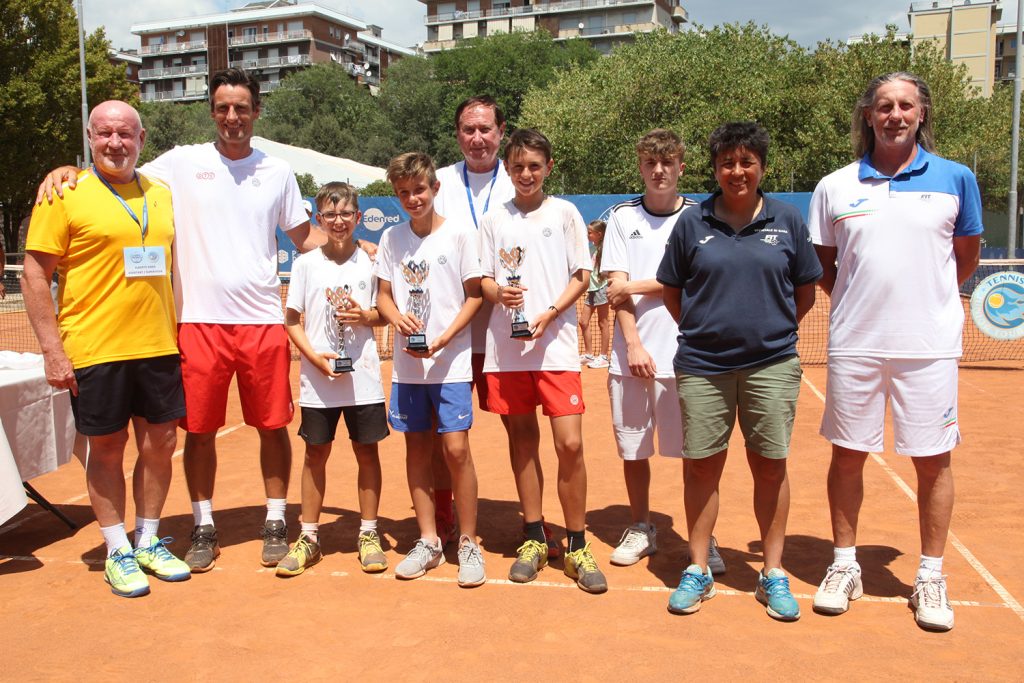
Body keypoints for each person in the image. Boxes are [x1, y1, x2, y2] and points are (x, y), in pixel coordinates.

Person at [37, 68, 326, 571]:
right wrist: (67, 169)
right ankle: (203, 523)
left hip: (262, 322)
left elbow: (304, 238)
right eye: (222, 108)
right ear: (212, 112)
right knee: (198, 432)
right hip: (195, 324)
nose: (231, 117)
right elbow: (115, 170)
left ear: (256, 111)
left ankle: (276, 518)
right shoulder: (180, 163)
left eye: (241, 107)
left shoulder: (278, 172)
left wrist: (369, 250)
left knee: (272, 426)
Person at [808, 72, 982, 632]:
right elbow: (827, 268)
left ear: (922, 113)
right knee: (847, 455)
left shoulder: (957, 179)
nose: (895, 115)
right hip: (855, 344)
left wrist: (923, 306)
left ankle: (929, 575)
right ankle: (843, 565)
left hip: (929, 348)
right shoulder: (834, 186)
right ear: (868, 115)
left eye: (906, 105)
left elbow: (966, 258)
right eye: (884, 106)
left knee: (933, 460)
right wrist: (867, 305)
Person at [22, 100, 189, 597]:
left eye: (125, 134)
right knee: (108, 448)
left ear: (141, 138)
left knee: (160, 445)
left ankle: (148, 540)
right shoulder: (64, 194)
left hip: (158, 345)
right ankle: (117, 548)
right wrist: (53, 350)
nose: (115, 143)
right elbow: (35, 274)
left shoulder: (160, 194)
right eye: (104, 134)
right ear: (90, 138)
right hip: (95, 349)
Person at [657, 122, 821, 620]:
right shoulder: (692, 223)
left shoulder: (788, 220)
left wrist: (767, 333)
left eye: (747, 162)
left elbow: (806, 291)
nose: (737, 171)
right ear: (715, 169)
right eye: (728, 162)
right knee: (703, 465)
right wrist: (708, 331)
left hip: (771, 365)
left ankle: (771, 573)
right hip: (703, 366)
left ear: (762, 168)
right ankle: (700, 568)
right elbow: (672, 290)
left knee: (770, 465)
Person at [479, 128, 607, 594]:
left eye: (534, 165)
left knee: (569, 444)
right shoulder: (494, 220)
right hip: (506, 352)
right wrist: (500, 292)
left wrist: (550, 313)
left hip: (555, 348)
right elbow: (483, 280)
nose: (526, 174)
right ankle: (534, 535)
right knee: (522, 443)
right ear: (507, 170)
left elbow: (582, 275)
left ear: (548, 167)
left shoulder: (566, 213)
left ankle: (577, 542)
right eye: (517, 167)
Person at [601, 129, 724, 574]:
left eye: (667, 162)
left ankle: (703, 539)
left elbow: (694, 280)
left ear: (681, 168)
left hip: (692, 357)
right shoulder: (620, 218)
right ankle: (641, 526)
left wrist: (636, 283)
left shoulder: (703, 215)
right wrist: (632, 343)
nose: (659, 171)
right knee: (634, 452)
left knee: (698, 457)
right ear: (640, 167)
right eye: (651, 163)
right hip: (630, 358)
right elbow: (614, 291)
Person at [374, 152, 486, 587]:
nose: (412, 198)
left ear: (434, 189)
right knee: (416, 450)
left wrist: (444, 338)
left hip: (451, 360)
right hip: (407, 367)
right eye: (403, 193)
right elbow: (383, 295)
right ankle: (429, 541)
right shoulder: (391, 239)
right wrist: (395, 316)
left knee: (456, 449)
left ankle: (469, 541)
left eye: (418, 190)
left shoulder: (460, 234)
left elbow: (475, 295)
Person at [278, 182, 389, 577]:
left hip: (364, 380)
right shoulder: (306, 264)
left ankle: (369, 533)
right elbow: (291, 320)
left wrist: (367, 317)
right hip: (318, 380)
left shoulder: (373, 261)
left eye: (345, 214)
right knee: (315, 455)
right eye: (330, 214)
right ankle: (309, 536)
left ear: (358, 218)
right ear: (319, 220)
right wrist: (314, 359)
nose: (338, 221)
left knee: (366, 453)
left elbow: (384, 312)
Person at [579, 220, 610, 369]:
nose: (588, 235)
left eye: (590, 233)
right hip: (592, 289)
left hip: (601, 288)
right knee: (583, 321)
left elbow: (607, 271)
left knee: (603, 323)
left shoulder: (605, 250)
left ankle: (603, 356)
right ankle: (589, 354)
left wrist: (603, 277)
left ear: (599, 234)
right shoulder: (595, 248)